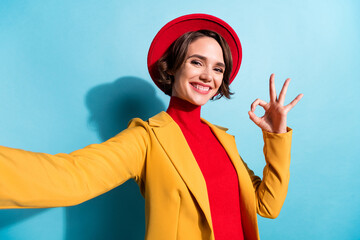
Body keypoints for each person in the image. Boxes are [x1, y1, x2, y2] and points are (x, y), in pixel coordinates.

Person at [0, 14, 303, 240]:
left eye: (218, 68)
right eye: (197, 62)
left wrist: (275, 137)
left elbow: (267, 205)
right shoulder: (146, 138)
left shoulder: (223, 140)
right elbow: (72, 177)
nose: (208, 75)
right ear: (172, 67)